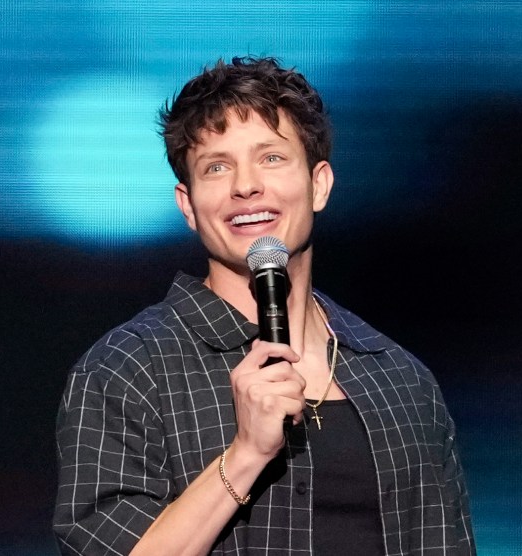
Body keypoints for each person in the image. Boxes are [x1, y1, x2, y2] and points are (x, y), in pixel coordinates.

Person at [52, 56, 475, 555]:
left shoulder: (401, 380)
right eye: (217, 167)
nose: (246, 186)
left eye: (271, 158)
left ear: (318, 184)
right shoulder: (129, 370)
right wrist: (247, 454)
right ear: (188, 206)